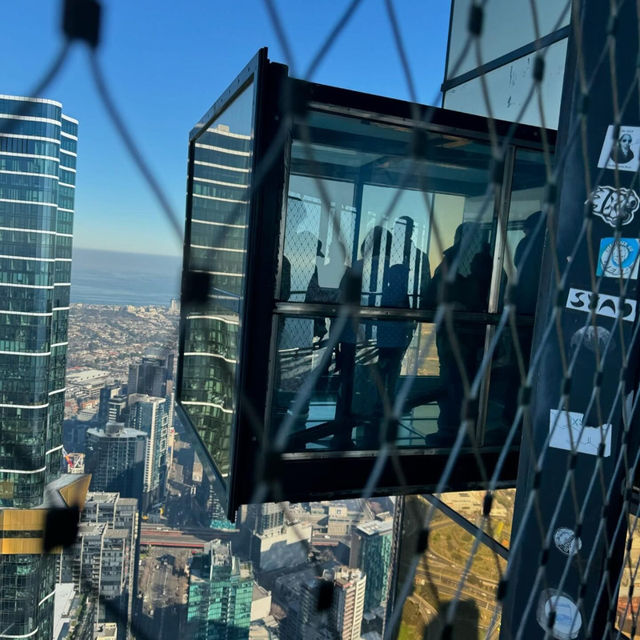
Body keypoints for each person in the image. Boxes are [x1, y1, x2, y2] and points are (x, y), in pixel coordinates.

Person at [425, 222, 492, 446]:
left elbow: (432, 295)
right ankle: (459, 430)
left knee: (453, 381)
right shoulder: (485, 263)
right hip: (471, 335)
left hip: (456, 334)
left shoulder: (452, 262)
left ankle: (450, 430)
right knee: (462, 382)